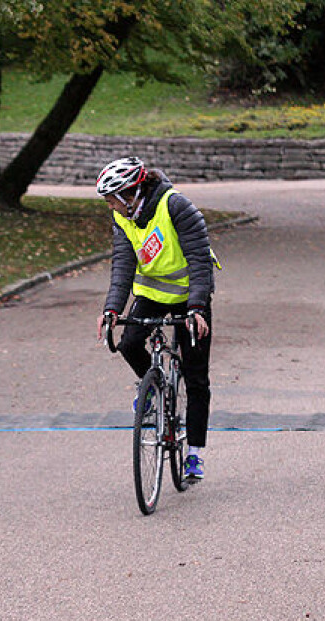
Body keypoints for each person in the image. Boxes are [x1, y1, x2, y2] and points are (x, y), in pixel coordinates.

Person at [95, 157, 214, 481]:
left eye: (111, 200)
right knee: (130, 343)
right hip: (150, 294)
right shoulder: (124, 219)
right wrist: (112, 309)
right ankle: (152, 387)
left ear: (129, 193)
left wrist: (197, 308)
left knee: (195, 375)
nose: (111, 207)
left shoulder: (175, 206)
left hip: (191, 296)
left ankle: (194, 454)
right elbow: (122, 266)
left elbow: (200, 261)